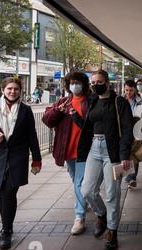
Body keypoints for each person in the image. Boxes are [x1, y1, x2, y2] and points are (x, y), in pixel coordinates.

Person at [0, 77, 42, 250]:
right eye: (10, 89)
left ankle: (7, 231)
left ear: (20, 91)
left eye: (16, 89)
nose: (13, 92)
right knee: (1, 192)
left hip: (17, 158)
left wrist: (37, 159)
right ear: (3, 90)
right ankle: (6, 225)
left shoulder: (26, 110)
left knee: (9, 193)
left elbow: (31, 136)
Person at [78, 69, 133, 250]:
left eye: (99, 82)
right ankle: (101, 214)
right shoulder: (93, 100)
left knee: (112, 194)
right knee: (87, 190)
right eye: (93, 82)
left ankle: (112, 231)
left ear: (108, 83)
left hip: (113, 151)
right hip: (95, 148)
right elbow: (88, 125)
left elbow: (127, 130)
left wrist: (124, 155)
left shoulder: (119, 102)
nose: (95, 85)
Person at [42, 71, 91, 235]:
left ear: (83, 84)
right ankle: (85, 201)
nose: (74, 85)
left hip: (85, 150)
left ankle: (79, 217)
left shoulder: (90, 101)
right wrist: (58, 111)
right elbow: (47, 120)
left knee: (80, 183)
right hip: (67, 150)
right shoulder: (64, 101)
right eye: (71, 82)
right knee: (76, 180)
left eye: (77, 82)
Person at [123, 79, 142, 189]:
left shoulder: (141, 102)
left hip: (137, 131)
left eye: (131, 90)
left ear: (135, 90)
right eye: (126, 90)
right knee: (125, 153)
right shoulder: (120, 100)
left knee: (134, 154)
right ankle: (128, 175)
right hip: (124, 131)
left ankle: (132, 178)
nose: (128, 93)